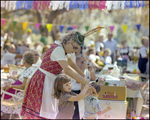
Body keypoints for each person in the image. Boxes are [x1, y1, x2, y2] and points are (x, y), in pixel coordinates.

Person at [20, 31, 89, 119]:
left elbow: (71, 63)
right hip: (43, 80)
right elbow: (67, 69)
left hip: (49, 79)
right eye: (74, 47)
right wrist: (83, 81)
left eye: (77, 48)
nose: (75, 50)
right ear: (67, 42)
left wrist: (83, 76)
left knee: (48, 110)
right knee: (42, 111)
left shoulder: (64, 49)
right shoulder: (59, 49)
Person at [70, 54, 96, 119]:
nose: (84, 64)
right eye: (82, 62)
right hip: (74, 92)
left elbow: (93, 79)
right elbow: (79, 81)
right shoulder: (72, 70)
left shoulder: (85, 70)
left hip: (84, 92)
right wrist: (83, 70)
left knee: (82, 113)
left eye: (85, 62)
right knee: (76, 114)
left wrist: (91, 70)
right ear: (77, 61)